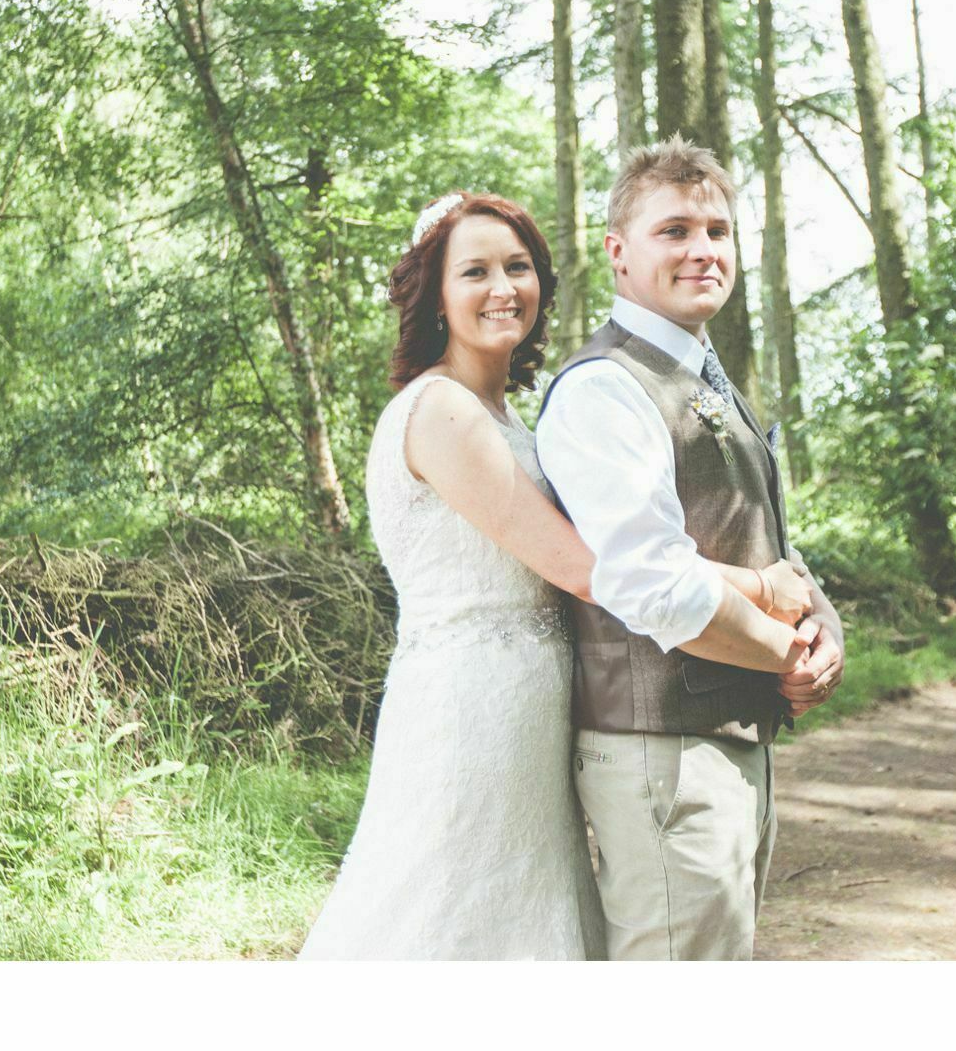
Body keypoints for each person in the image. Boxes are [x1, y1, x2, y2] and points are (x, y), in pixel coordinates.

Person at [299, 191, 814, 960]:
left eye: (519, 266)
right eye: (474, 271)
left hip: (538, 711)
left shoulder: (509, 418)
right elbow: (587, 569)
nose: (504, 287)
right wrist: (766, 589)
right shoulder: (440, 410)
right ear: (433, 294)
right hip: (470, 711)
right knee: (445, 912)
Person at [535, 136, 846, 961]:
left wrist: (824, 634)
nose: (703, 249)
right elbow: (652, 585)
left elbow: (770, 545)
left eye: (717, 230)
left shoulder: (703, 370)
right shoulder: (606, 386)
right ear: (618, 253)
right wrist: (785, 652)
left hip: (728, 740)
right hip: (663, 749)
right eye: (674, 230)